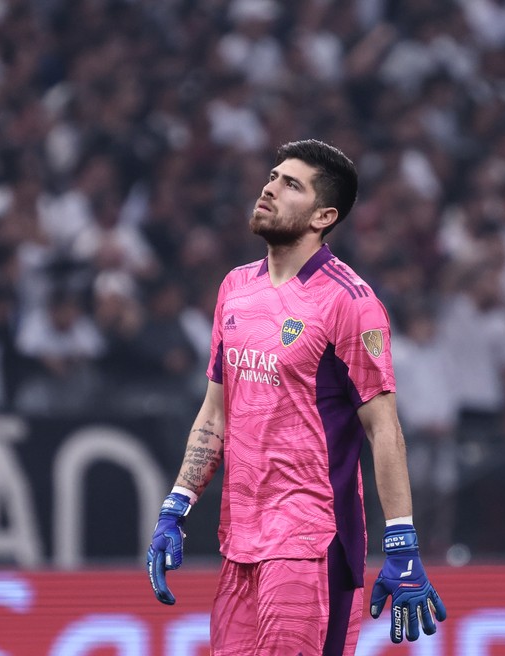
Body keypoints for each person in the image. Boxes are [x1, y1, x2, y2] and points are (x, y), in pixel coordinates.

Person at [146, 139, 446, 654]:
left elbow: (384, 427)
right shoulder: (235, 288)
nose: (269, 187)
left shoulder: (351, 302)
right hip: (240, 542)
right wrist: (176, 505)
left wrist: (402, 538)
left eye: (291, 184)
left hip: (311, 541)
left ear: (323, 215)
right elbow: (215, 412)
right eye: (272, 176)